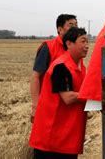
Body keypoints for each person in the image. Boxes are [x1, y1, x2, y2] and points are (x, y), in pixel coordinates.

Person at [29, 27, 89, 158]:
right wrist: (93, 96)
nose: (87, 46)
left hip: (68, 135)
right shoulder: (61, 66)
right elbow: (68, 98)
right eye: (82, 41)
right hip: (51, 138)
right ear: (69, 44)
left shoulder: (81, 67)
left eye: (87, 42)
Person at [30, 14, 78, 121]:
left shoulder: (76, 49)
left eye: (76, 24)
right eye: (71, 25)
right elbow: (35, 77)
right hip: (49, 106)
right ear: (60, 29)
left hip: (68, 106)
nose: (75, 28)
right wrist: (35, 106)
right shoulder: (49, 48)